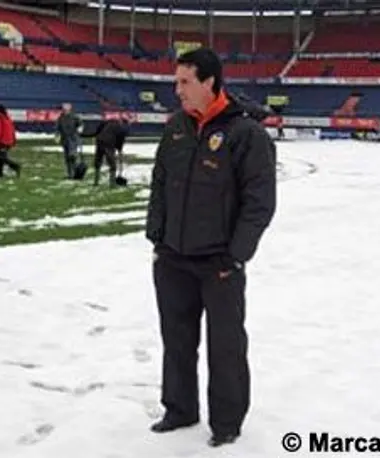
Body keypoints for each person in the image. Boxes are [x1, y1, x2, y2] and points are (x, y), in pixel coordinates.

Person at [145, 48, 277, 448]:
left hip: (219, 263)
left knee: (226, 347)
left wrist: (234, 255)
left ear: (209, 82)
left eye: (185, 82)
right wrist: (157, 238)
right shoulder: (177, 128)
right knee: (177, 341)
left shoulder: (246, 134)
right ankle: (180, 409)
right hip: (173, 259)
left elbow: (259, 204)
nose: (177, 90)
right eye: (176, 81)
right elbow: (159, 186)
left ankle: (227, 422)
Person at [82, 117, 130, 187]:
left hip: (99, 141)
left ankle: (96, 182)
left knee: (98, 162)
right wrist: (119, 150)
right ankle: (112, 184)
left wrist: (84, 135)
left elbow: (97, 132)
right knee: (112, 165)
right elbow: (120, 141)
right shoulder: (122, 128)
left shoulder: (107, 122)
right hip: (109, 143)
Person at [0, 104, 21, 178]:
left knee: (2, 157)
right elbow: (13, 130)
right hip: (9, 141)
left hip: (3, 141)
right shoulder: (8, 119)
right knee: (1, 156)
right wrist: (14, 140)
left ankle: (15, 166)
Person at [56, 103, 83, 179]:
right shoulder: (60, 118)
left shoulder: (75, 116)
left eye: (65, 109)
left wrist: (80, 129)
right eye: (63, 109)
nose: (63, 111)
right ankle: (70, 174)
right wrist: (57, 135)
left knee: (73, 156)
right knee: (67, 158)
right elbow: (58, 128)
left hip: (73, 139)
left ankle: (77, 173)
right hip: (65, 140)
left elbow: (80, 124)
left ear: (69, 109)